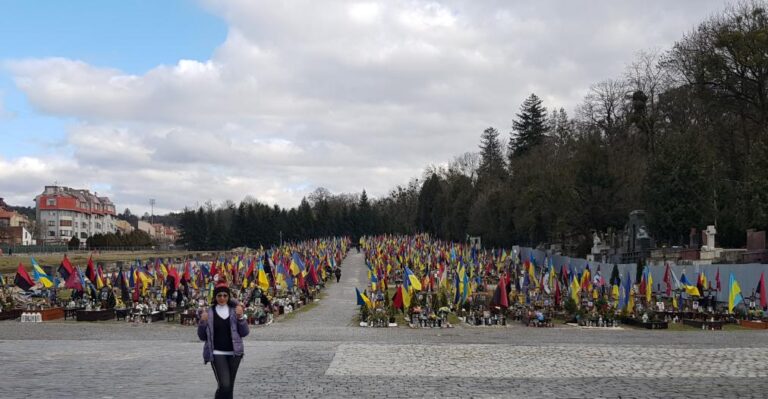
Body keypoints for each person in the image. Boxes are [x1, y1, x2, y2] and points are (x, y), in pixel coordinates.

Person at [197, 280, 249, 399]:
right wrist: (203, 322)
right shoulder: (209, 312)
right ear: (215, 297)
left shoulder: (235, 310)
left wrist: (241, 317)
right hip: (217, 353)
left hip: (235, 353)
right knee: (224, 385)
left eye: (225, 295)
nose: (222, 298)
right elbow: (202, 336)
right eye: (219, 295)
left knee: (229, 388)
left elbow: (245, 332)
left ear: (228, 296)